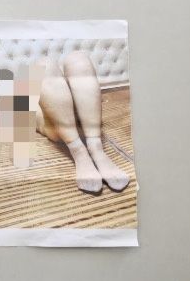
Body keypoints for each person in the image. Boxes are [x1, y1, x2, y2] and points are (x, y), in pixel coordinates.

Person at [36, 51, 130, 194]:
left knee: (78, 58)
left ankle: (95, 146)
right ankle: (78, 150)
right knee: (43, 65)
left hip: (85, 121)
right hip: (59, 127)